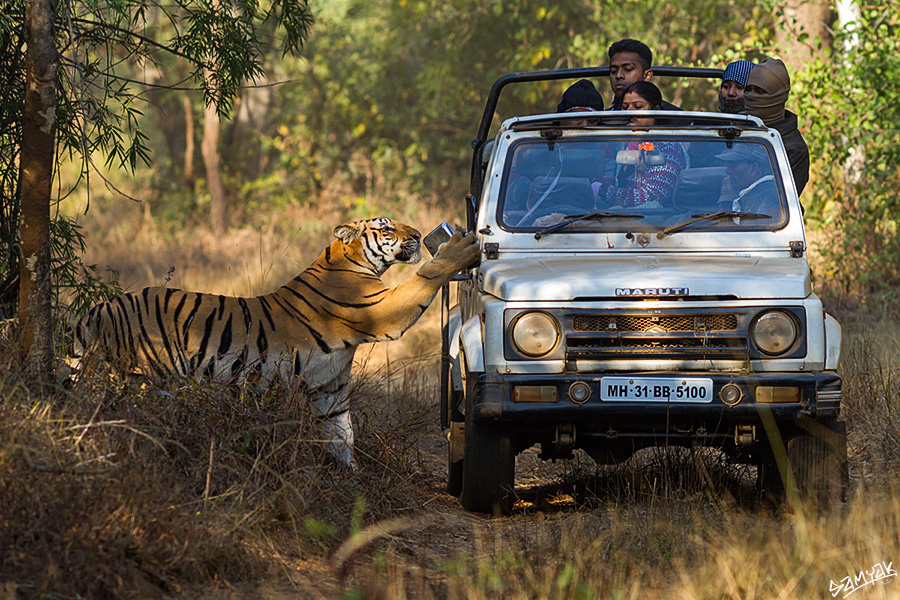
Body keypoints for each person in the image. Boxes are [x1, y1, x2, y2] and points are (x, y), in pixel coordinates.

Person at [592, 81, 686, 208]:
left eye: (638, 106)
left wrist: (602, 190)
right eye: (625, 107)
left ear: (656, 111)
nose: (630, 112)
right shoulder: (620, 144)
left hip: (659, 223)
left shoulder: (668, 146)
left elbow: (652, 198)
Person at [742, 57, 809, 196]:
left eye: (760, 91)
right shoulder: (735, 125)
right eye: (749, 89)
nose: (752, 96)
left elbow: (780, 201)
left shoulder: (794, 148)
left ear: (779, 95)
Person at [606, 39, 681, 112]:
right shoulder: (601, 118)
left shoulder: (675, 118)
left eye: (628, 69)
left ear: (647, 75)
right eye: (613, 71)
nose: (619, 75)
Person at [714, 144, 779, 215]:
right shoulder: (760, 192)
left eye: (734, 165)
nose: (728, 170)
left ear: (754, 169)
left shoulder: (767, 198)